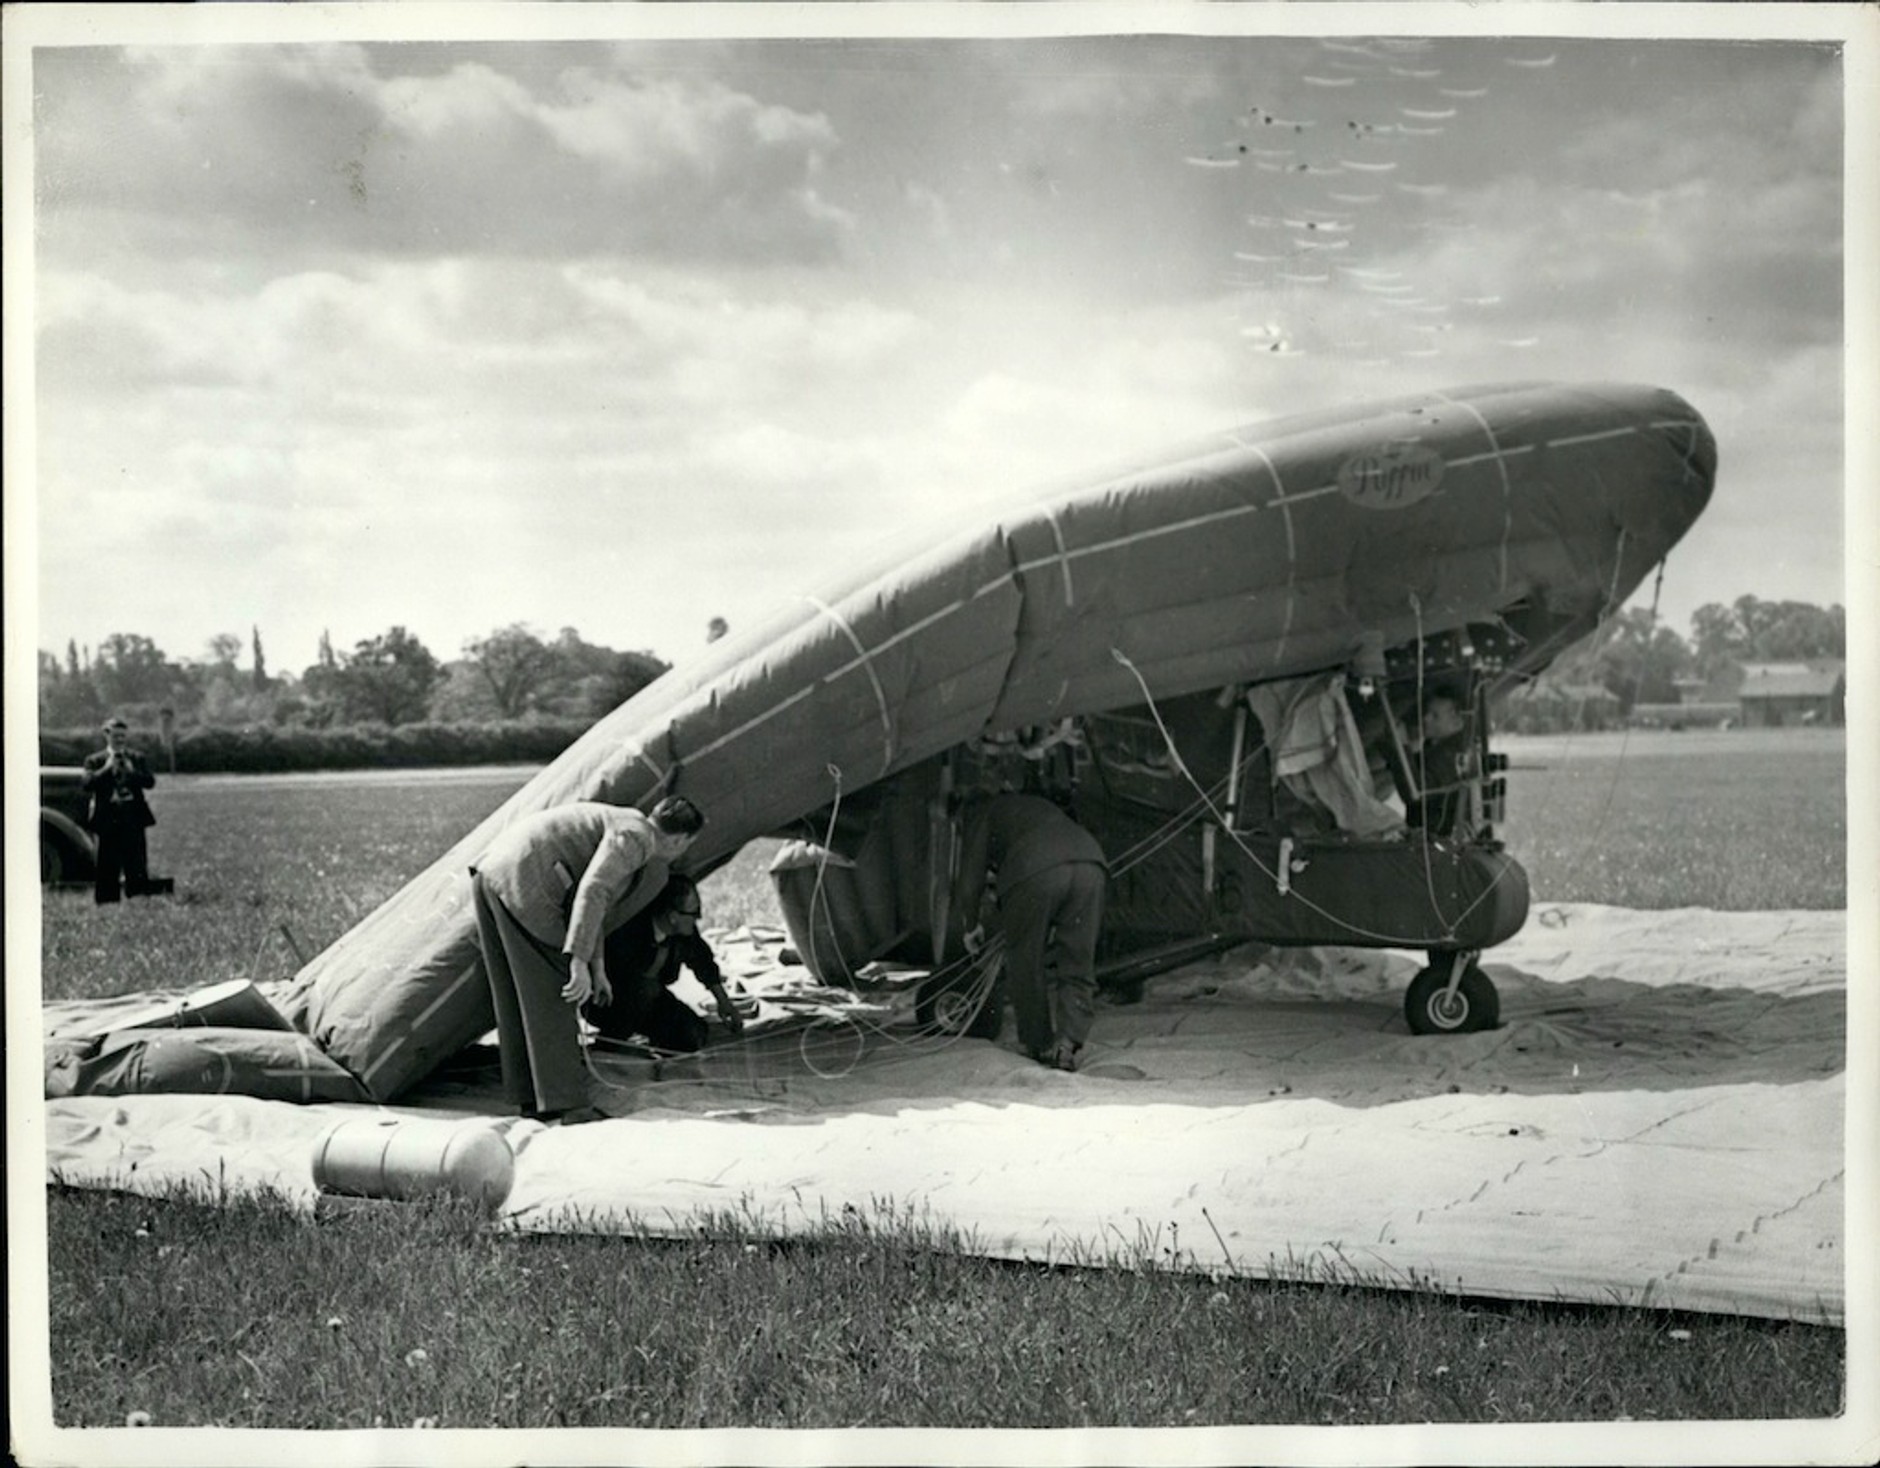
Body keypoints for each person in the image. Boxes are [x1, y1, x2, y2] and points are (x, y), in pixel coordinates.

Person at [469, 795, 705, 1124]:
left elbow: (596, 905)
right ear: (680, 839)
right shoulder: (637, 838)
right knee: (555, 992)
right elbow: (593, 889)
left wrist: (597, 967)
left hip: (495, 873)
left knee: (515, 996)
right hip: (527, 881)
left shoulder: (626, 821)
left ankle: (529, 1096)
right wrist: (577, 963)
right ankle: (566, 1104)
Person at [952, 791, 1107, 1072]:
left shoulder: (980, 813)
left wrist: (970, 925)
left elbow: (969, 880)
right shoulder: (1030, 806)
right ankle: (1068, 1042)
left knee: (1025, 959)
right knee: (1078, 959)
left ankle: (1037, 1043)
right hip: (1090, 862)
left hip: (1036, 869)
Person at [582, 874, 744, 1053]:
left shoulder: (684, 933)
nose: (698, 918)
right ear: (673, 916)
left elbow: (702, 961)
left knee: (692, 1034)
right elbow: (617, 982)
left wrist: (724, 1002)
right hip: (611, 1002)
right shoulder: (628, 932)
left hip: (651, 999)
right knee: (637, 1003)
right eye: (694, 913)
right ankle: (608, 1046)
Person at [81, 717, 158, 904]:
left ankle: (138, 897)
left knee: (137, 860)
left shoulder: (137, 758)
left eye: (123, 736)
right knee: (107, 861)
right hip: (108, 818)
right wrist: (107, 769)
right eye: (116, 736)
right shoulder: (95, 760)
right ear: (106, 736)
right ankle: (107, 900)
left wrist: (133, 773)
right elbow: (87, 784)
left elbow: (150, 782)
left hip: (132, 816)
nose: (120, 740)